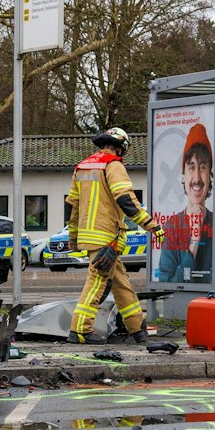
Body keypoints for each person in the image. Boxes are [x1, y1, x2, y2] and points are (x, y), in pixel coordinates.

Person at [64, 125, 164, 345]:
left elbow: (72, 206)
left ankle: (137, 329)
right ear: (121, 147)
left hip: (91, 237)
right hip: (107, 236)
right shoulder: (113, 165)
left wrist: (73, 237)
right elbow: (125, 198)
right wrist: (150, 224)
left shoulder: (82, 167)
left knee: (121, 283)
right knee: (96, 282)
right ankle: (80, 330)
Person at [154, 123, 214, 283]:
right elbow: (168, 284)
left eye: (203, 167)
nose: (197, 178)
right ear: (184, 175)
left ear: (210, 176)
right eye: (191, 167)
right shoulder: (172, 227)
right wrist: (193, 242)